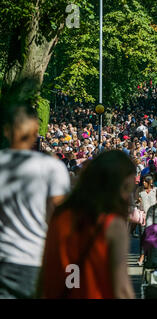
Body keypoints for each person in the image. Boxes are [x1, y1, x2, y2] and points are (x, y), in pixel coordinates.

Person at [39, 150, 135, 298]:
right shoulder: (113, 225)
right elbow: (121, 290)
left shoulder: (59, 216)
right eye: (125, 189)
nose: (128, 198)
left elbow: (45, 273)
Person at [0, 105, 71, 299]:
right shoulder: (51, 167)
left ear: (7, 131)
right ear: (35, 132)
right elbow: (59, 217)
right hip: (36, 261)